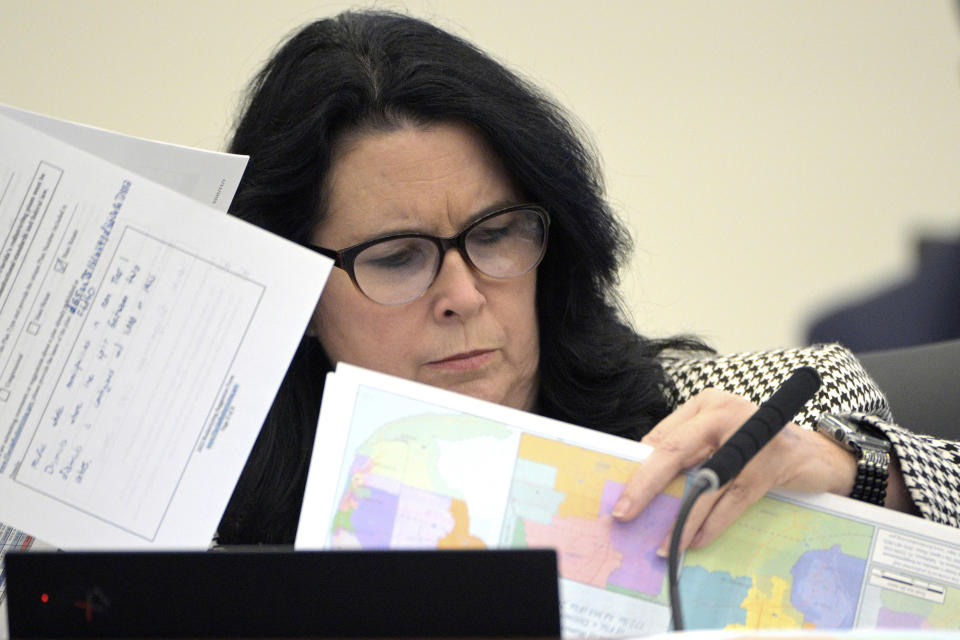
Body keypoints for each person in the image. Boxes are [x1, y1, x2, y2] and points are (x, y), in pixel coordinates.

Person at [216, 9, 960, 547]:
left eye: (497, 233)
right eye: (397, 256)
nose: (465, 296)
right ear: (297, 288)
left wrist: (854, 472)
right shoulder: (211, 509)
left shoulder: (762, 410)